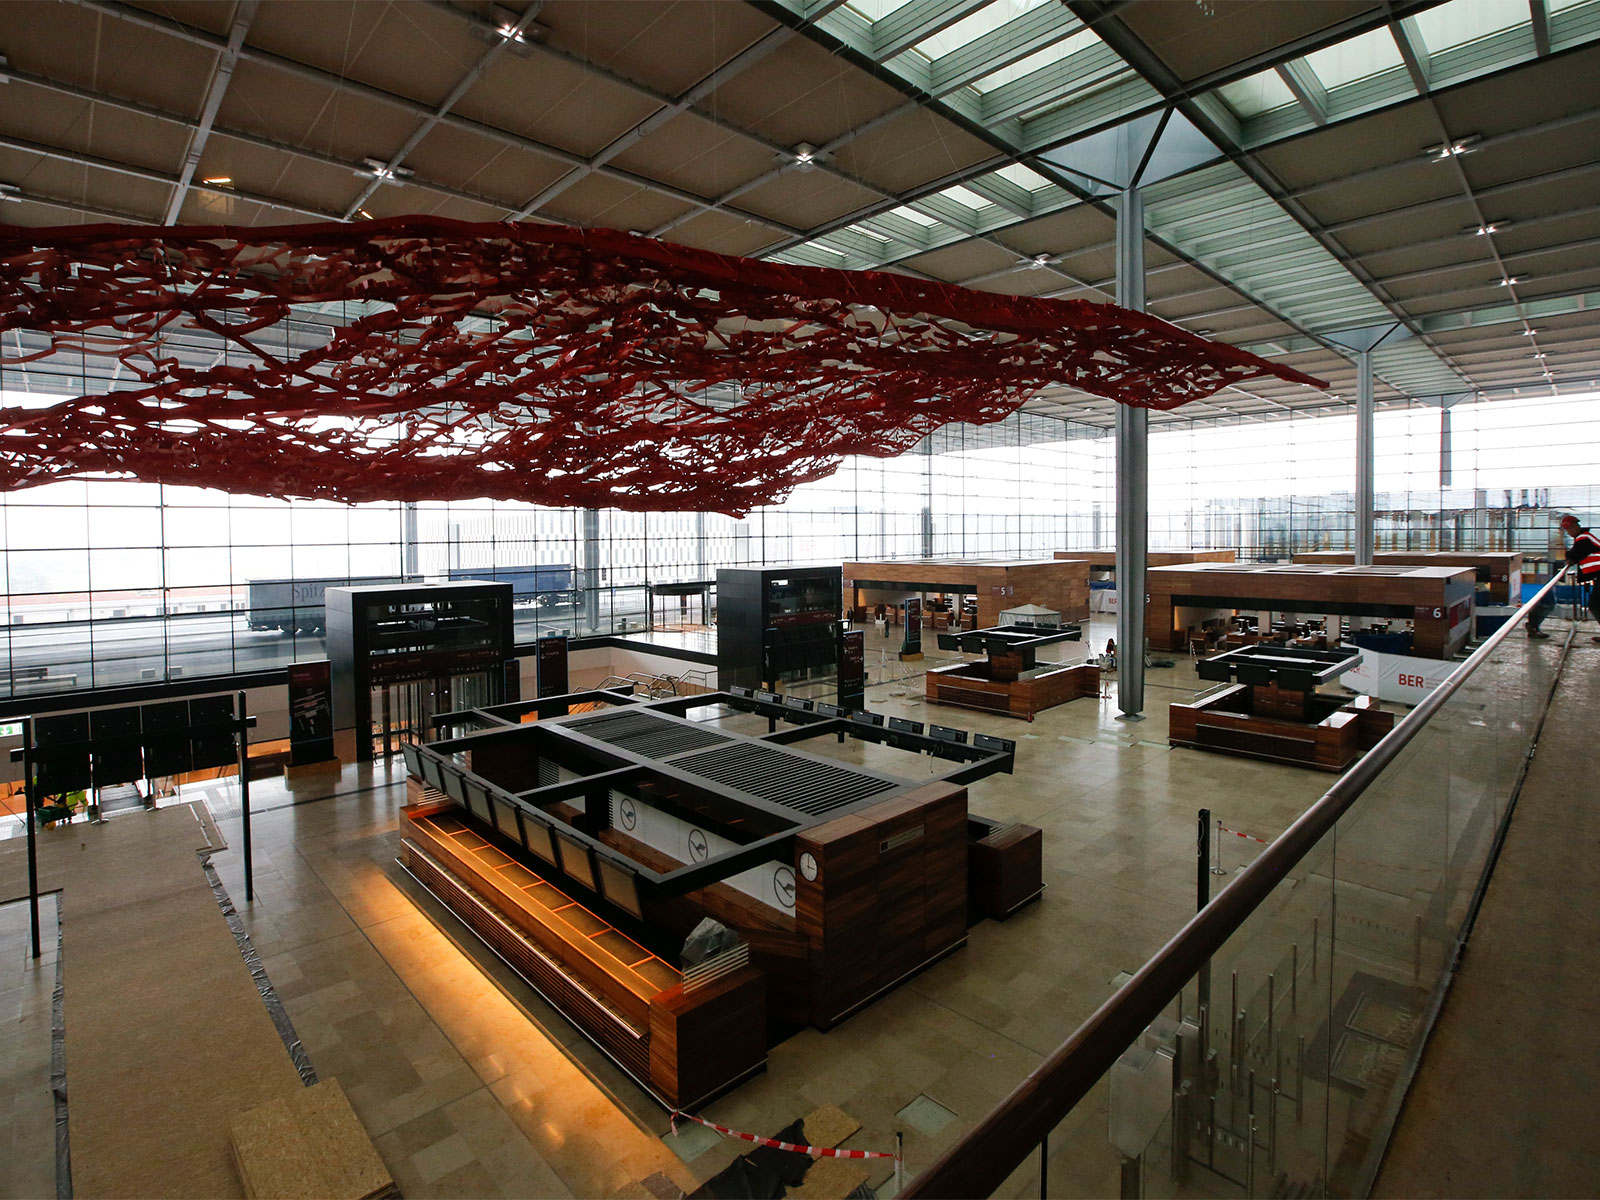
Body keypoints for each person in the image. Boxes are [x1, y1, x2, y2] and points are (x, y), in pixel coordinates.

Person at [1559, 514, 1600, 639]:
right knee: (1596, 604)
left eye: (1571, 528)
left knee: (1595, 605)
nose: (1570, 531)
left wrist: (1569, 557)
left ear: (1577, 526)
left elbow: (1575, 554)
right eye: (1567, 529)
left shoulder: (1583, 538)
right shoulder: (1583, 537)